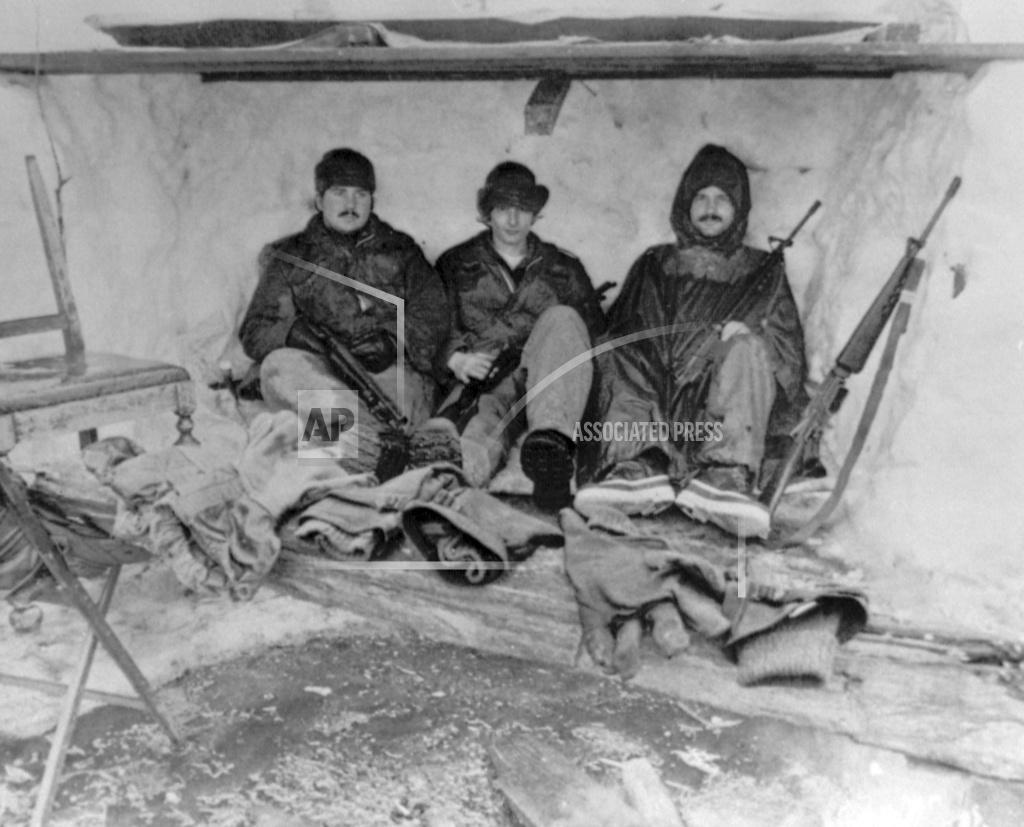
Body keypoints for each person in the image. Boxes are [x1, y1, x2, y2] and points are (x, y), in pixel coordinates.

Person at [575, 144, 809, 538]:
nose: (710, 207)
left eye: (722, 198)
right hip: (653, 404)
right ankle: (638, 468)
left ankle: (724, 477)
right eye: (701, 197)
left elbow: (787, 354)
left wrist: (749, 337)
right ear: (685, 204)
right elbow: (624, 325)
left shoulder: (762, 270)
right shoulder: (655, 261)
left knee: (748, 348)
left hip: (714, 408)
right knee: (616, 348)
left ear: (739, 208)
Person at [239, 148, 451, 473]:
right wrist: (294, 334)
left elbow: (434, 313)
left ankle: (350, 452)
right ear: (319, 200)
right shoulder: (289, 256)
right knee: (278, 368)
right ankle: (381, 453)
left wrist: (393, 339)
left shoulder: (402, 250)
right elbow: (256, 329)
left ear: (372, 201)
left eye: (360, 194)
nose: (351, 204)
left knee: (382, 410)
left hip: (391, 374)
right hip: (322, 377)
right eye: (339, 192)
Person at [435, 161, 606, 509]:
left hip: (549, 385)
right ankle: (459, 495)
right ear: (488, 212)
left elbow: (598, 338)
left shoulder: (564, 269)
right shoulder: (455, 264)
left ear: (535, 214)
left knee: (563, 319)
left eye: (523, 209)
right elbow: (432, 326)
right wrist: (456, 359)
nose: (513, 220)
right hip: (487, 383)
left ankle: (551, 450)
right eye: (503, 208)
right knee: (472, 451)